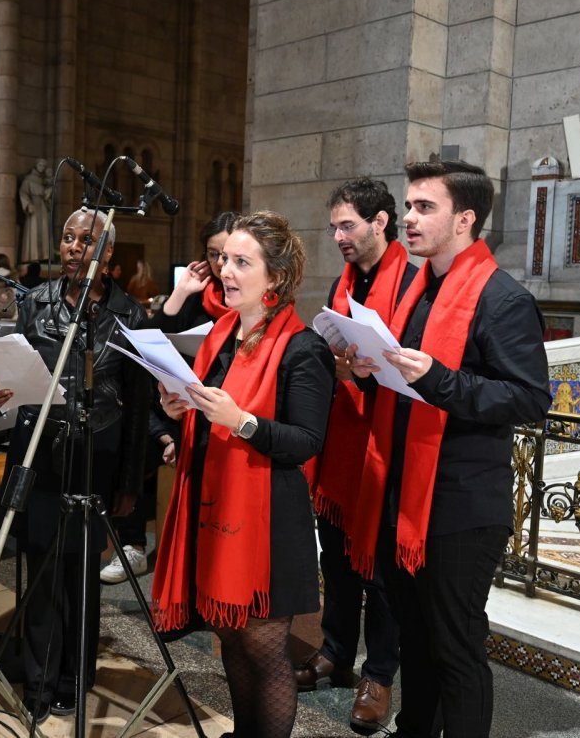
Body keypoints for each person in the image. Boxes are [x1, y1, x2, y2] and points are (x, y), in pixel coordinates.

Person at [348, 160, 551, 738]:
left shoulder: (501, 299)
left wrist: (437, 378)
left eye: (423, 207)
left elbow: (530, 398)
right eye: (409, 206)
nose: (408, 218)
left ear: (464, 219)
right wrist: (366, 368)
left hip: (460, 504)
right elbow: (405, 377)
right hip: (404, 492)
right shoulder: (418, 288)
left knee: (456, 647)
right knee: (416, 640)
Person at [150, 210, 335, 738]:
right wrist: (177, 411)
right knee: (230, 638)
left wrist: (242, 422)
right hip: (218, 508)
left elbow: (305, 442)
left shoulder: (305, 349)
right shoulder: (221, 336)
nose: (226, 271)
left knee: (265, 649)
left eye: (241, 262)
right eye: (224, 259)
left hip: (270, 521)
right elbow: (205, 413)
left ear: (274, 277)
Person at [0, 208, 148, 724]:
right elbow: (16, 378)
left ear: (108, 252)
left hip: (98, 458)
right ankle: (39, 680)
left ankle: (75, 677)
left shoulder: (130, 315)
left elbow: (139, 408)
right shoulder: (37, 303)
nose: (73, 247)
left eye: (85, 240)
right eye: (68, 238)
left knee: (82, 573)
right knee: (41, 570)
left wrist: (131, 482)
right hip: (41, 454)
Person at [297, 177, 415, 734]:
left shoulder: (413, 282)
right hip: (344, 438)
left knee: (382, 572)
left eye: (348, 225)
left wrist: (367, 372)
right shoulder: (341, 285)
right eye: (334, 227)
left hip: (388, 443)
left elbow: (418, 368)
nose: (339, 236)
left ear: (380, 222)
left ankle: (380, 675)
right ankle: (336, 653)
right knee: (337, 558)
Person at [100, 211, 239, 584]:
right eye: (213, 254)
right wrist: (180, 293)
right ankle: (132, 544)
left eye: (229, 254)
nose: (221, 263)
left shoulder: (247, 301)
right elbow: (148, 346)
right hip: (176, 410)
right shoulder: (197, 299)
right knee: (127, 434)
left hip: (225, 415)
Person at [18, 159, 53, 263]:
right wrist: (28, 204)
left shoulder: (45, 180)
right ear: (36, 165)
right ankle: (33, 257)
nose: (42, 167)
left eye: (43, 165)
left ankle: (44, 256)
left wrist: (48, 193)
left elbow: (48, 194)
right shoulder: (29, 179)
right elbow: (23, 193)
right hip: (33, 207)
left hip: (42, 207)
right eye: (40, 164)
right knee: (33, 231)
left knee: (44, 231)